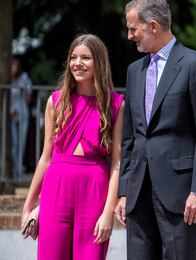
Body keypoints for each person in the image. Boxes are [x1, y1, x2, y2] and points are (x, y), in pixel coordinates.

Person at [115, 0, 196, 260]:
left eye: (133, 28)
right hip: (138, 193)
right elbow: (131, 137)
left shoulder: (193, 64)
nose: (129, 36)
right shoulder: (134, 70)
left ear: (153, 25)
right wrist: (124, 191)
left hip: (181, 194)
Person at [21, 34, 124, 259]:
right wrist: (29, 206)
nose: (78, 63)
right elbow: (45, 158)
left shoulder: (116, 104)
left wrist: (108, 212)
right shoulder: (55, 102)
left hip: (95, 190)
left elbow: (117, 163)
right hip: (56, 188)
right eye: (73, 57)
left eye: (86, 57)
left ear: (99, 62)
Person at [10, 57, 33, 179]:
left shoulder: (23, 78)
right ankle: (15, 170)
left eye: (14, 65)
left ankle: (19, 170)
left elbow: (28, 98)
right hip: (11, 116)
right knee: (13, 144)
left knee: (21, 143)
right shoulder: (8, 80)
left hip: (22, 114)